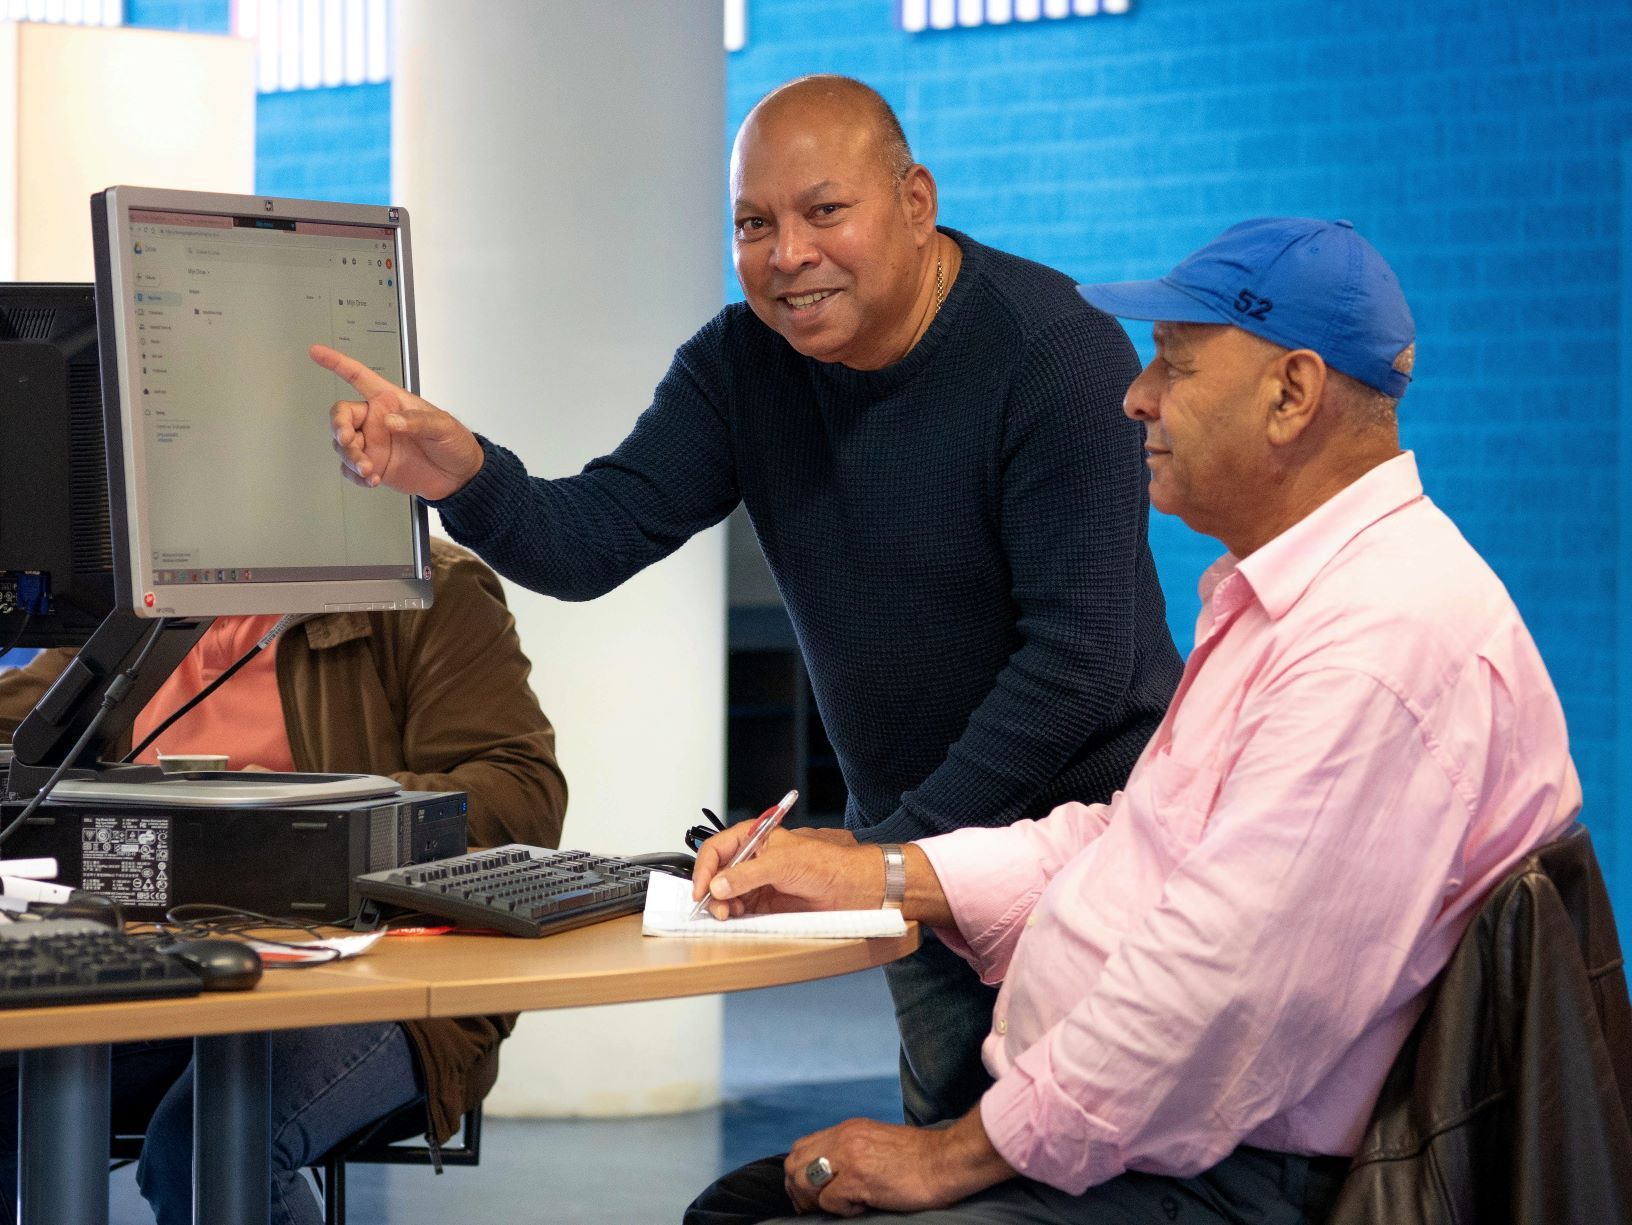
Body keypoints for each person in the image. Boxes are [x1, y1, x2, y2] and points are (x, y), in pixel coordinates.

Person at [313, 74, 1183, 1129]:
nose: (787, 254)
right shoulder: (743, 364)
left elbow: (1078, 662)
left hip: (1086, 855)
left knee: (1082, 1176)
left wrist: (879, 858)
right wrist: (463, 474)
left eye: (825, 211)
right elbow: (591, 538)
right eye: (753, 223)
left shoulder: (1055, 353)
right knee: (947, 1176)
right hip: (915, 856)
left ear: (916, 201)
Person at [682, 217, 1583, 1224]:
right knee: (742, 1205)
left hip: (1225, 1176)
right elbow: (1130, 842)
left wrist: (947, 1158)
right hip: (1151, 1142)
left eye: (1175, 364)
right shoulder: (1295, 601)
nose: (1136, 397)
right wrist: (881, 872)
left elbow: (1212, 998)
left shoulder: (1378, 650)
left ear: (1292, 394)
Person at [0, 537, 567, 1225]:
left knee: (208, 1146)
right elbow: (30, 726)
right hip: (164, 963)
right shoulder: (133, 604)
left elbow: (521, 793)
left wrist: (296, 805)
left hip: (376, 977)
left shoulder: (423, 586)